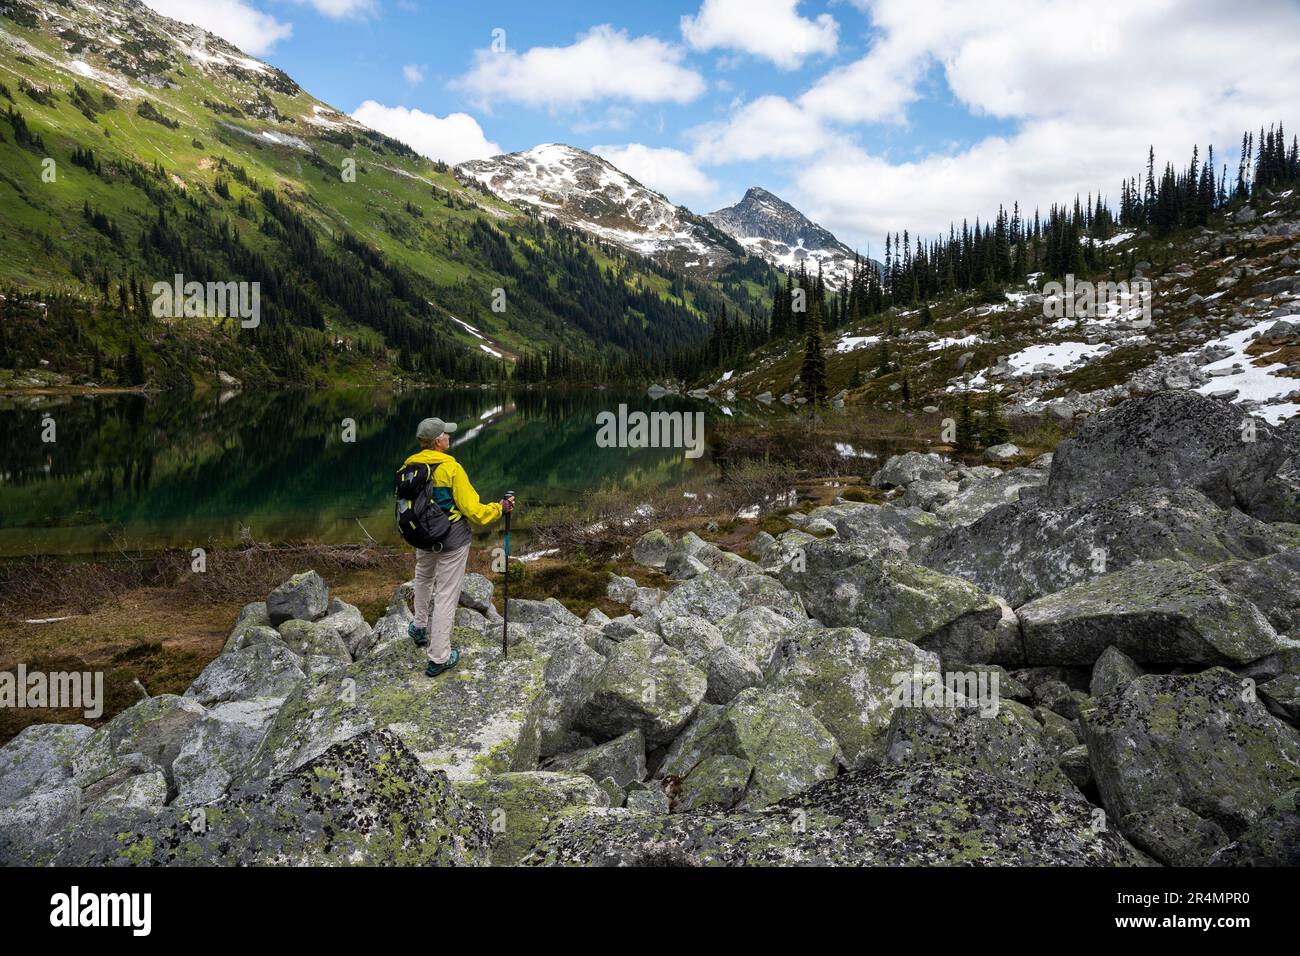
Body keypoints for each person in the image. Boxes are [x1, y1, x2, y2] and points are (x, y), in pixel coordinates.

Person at [404, 417, 514, 677]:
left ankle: (419, 626)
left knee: (423, 576)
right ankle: (439, 657)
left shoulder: (410, 465)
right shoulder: (451, 469)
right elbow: (474, 512)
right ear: (438, 441)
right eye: (446, 435)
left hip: (421, 535)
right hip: (450, 538)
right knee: (446, 594)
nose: (449, 437)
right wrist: (500, 508)